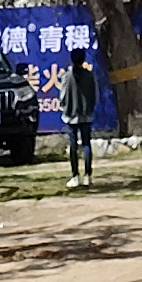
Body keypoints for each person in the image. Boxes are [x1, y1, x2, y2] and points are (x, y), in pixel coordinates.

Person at [62, 44, 99, 188]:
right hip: (86, 115)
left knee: (73, 146)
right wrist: (89, 108)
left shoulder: (67, 75)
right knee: (86, 144)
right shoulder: (89, 75)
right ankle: (88, 176)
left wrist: (65, 108)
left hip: (71, 116)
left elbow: (63, 95)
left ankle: (75, 176)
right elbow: (95, 95)